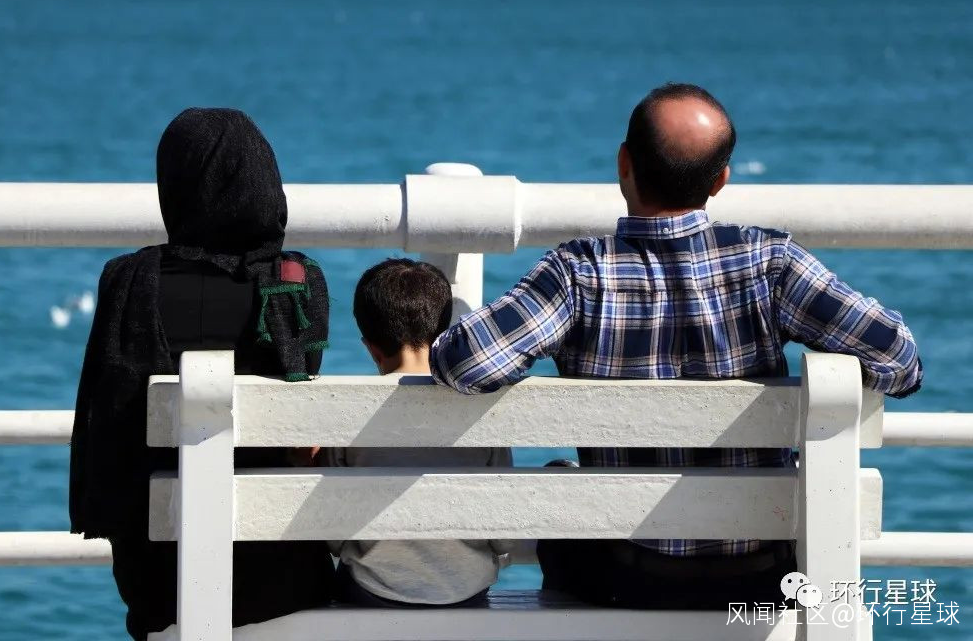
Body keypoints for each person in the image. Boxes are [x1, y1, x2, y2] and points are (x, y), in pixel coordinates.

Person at [429, 83, 922, 609]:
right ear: (720, 180)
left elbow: (463, 363)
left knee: (561, 488)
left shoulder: (578, 274)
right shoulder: (770, 263)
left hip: (628, 579)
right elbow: (900, 361)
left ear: (624, 164)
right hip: (756, 580)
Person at [69, 108, 334, 639]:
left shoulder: (127, 283)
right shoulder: (297, 285)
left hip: (159, 584)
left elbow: (109, 418)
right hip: (283, 577)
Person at [319, 258, 512, 607]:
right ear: (442, 334)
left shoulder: (348, 415)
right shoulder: (480, 411)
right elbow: (503, 537)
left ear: (371, 349)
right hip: (466, 593)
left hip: (372, 592)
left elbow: (335, 538)